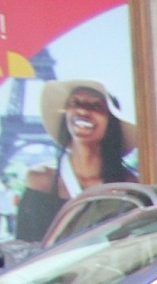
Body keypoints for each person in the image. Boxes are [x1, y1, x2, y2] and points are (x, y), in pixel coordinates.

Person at [14, 80, 140, 242]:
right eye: (75, 103)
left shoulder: (128, 187)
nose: (82, 110)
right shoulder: (40, 181)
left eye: (95, 106)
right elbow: (25, 248)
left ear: (111, 122)